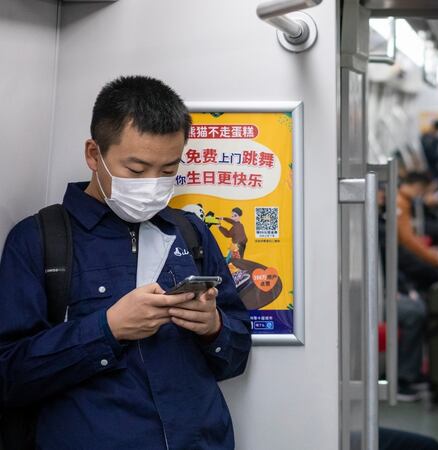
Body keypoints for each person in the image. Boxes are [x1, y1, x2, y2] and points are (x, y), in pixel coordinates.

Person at [0, 76, 252, 448]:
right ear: (93, 153)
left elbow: (236, 357)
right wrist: (108, 329)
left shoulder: (190, 232)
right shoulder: (39, 239)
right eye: (136, 170)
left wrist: (213, 327)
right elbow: (9, 375)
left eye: (168, 170)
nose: (152, 183)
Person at [398, 172, 438, 270]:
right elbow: (408, 239)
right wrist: (433, 258)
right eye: (422, 191)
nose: (421, 195)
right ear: (417, 187)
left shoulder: (404, 200)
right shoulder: (400, 204)